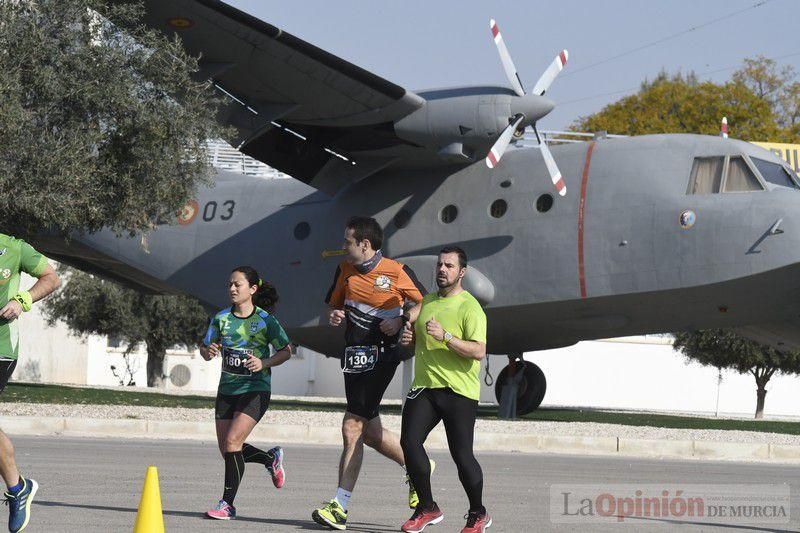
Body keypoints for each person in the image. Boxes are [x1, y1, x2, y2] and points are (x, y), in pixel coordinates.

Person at [312, 216, 427, 531]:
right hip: (354, 358)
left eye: (347, 241)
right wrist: (335, 315)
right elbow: (334, 306)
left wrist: (403, 318)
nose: (343, 247)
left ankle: (340, 506)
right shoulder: (344, 270)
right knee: (372, 435)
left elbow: (424, 302)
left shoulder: (396, 271)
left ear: (364, 244)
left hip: (383, 356)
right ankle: (420, 467)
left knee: (351, 426)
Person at [399, 246, 492, 533]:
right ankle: (427, 507)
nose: (442, 269)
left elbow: (478, 351)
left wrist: (446, 336)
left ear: (461, 272)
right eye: (440, 264)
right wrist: (408, 336)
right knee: (409, 442)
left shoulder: (470, 307)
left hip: (458, 391)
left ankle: (478, 513)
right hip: (426, 387)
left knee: (462, 455)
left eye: (449, 266)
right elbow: (411, 319)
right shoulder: (427, 301)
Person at [200, 266, 292, 520]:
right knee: (227, 449)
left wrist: (264, 363)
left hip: (255, 389)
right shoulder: (220, 319)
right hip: (227, 390)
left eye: (237, 285)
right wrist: (208, 352)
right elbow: (205, 348)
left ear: (252, 289)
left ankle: (227, 505)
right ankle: (269, 458)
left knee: (232, 443)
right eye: (229, 284)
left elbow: (286, 350)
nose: (231, 289)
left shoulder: (265, 320)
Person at [0, 233, 60, 532]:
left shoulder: (14, 247)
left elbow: (51, 278)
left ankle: (17, 488)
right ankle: (17, 488)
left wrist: (21, 299)